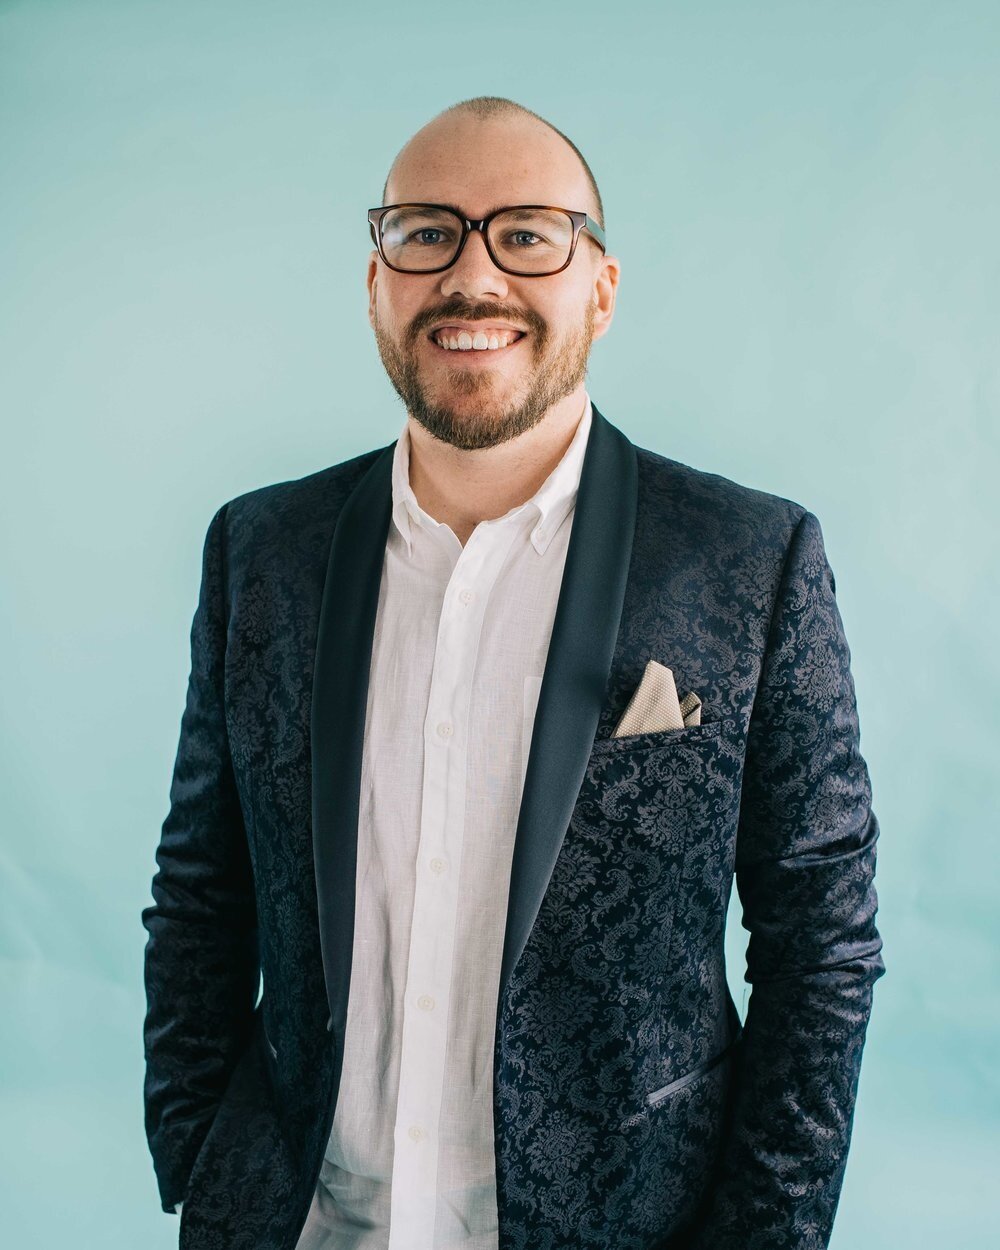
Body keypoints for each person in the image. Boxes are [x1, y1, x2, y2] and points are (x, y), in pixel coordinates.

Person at [142, 95, 885, 1250]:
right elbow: (202, 892)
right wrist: (197, 1155)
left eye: (527, 233)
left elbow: (819, 940)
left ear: (601, 286)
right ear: (377, 281)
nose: (471, 275)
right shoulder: (261, 551)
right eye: (425, 233)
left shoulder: (751, 559)